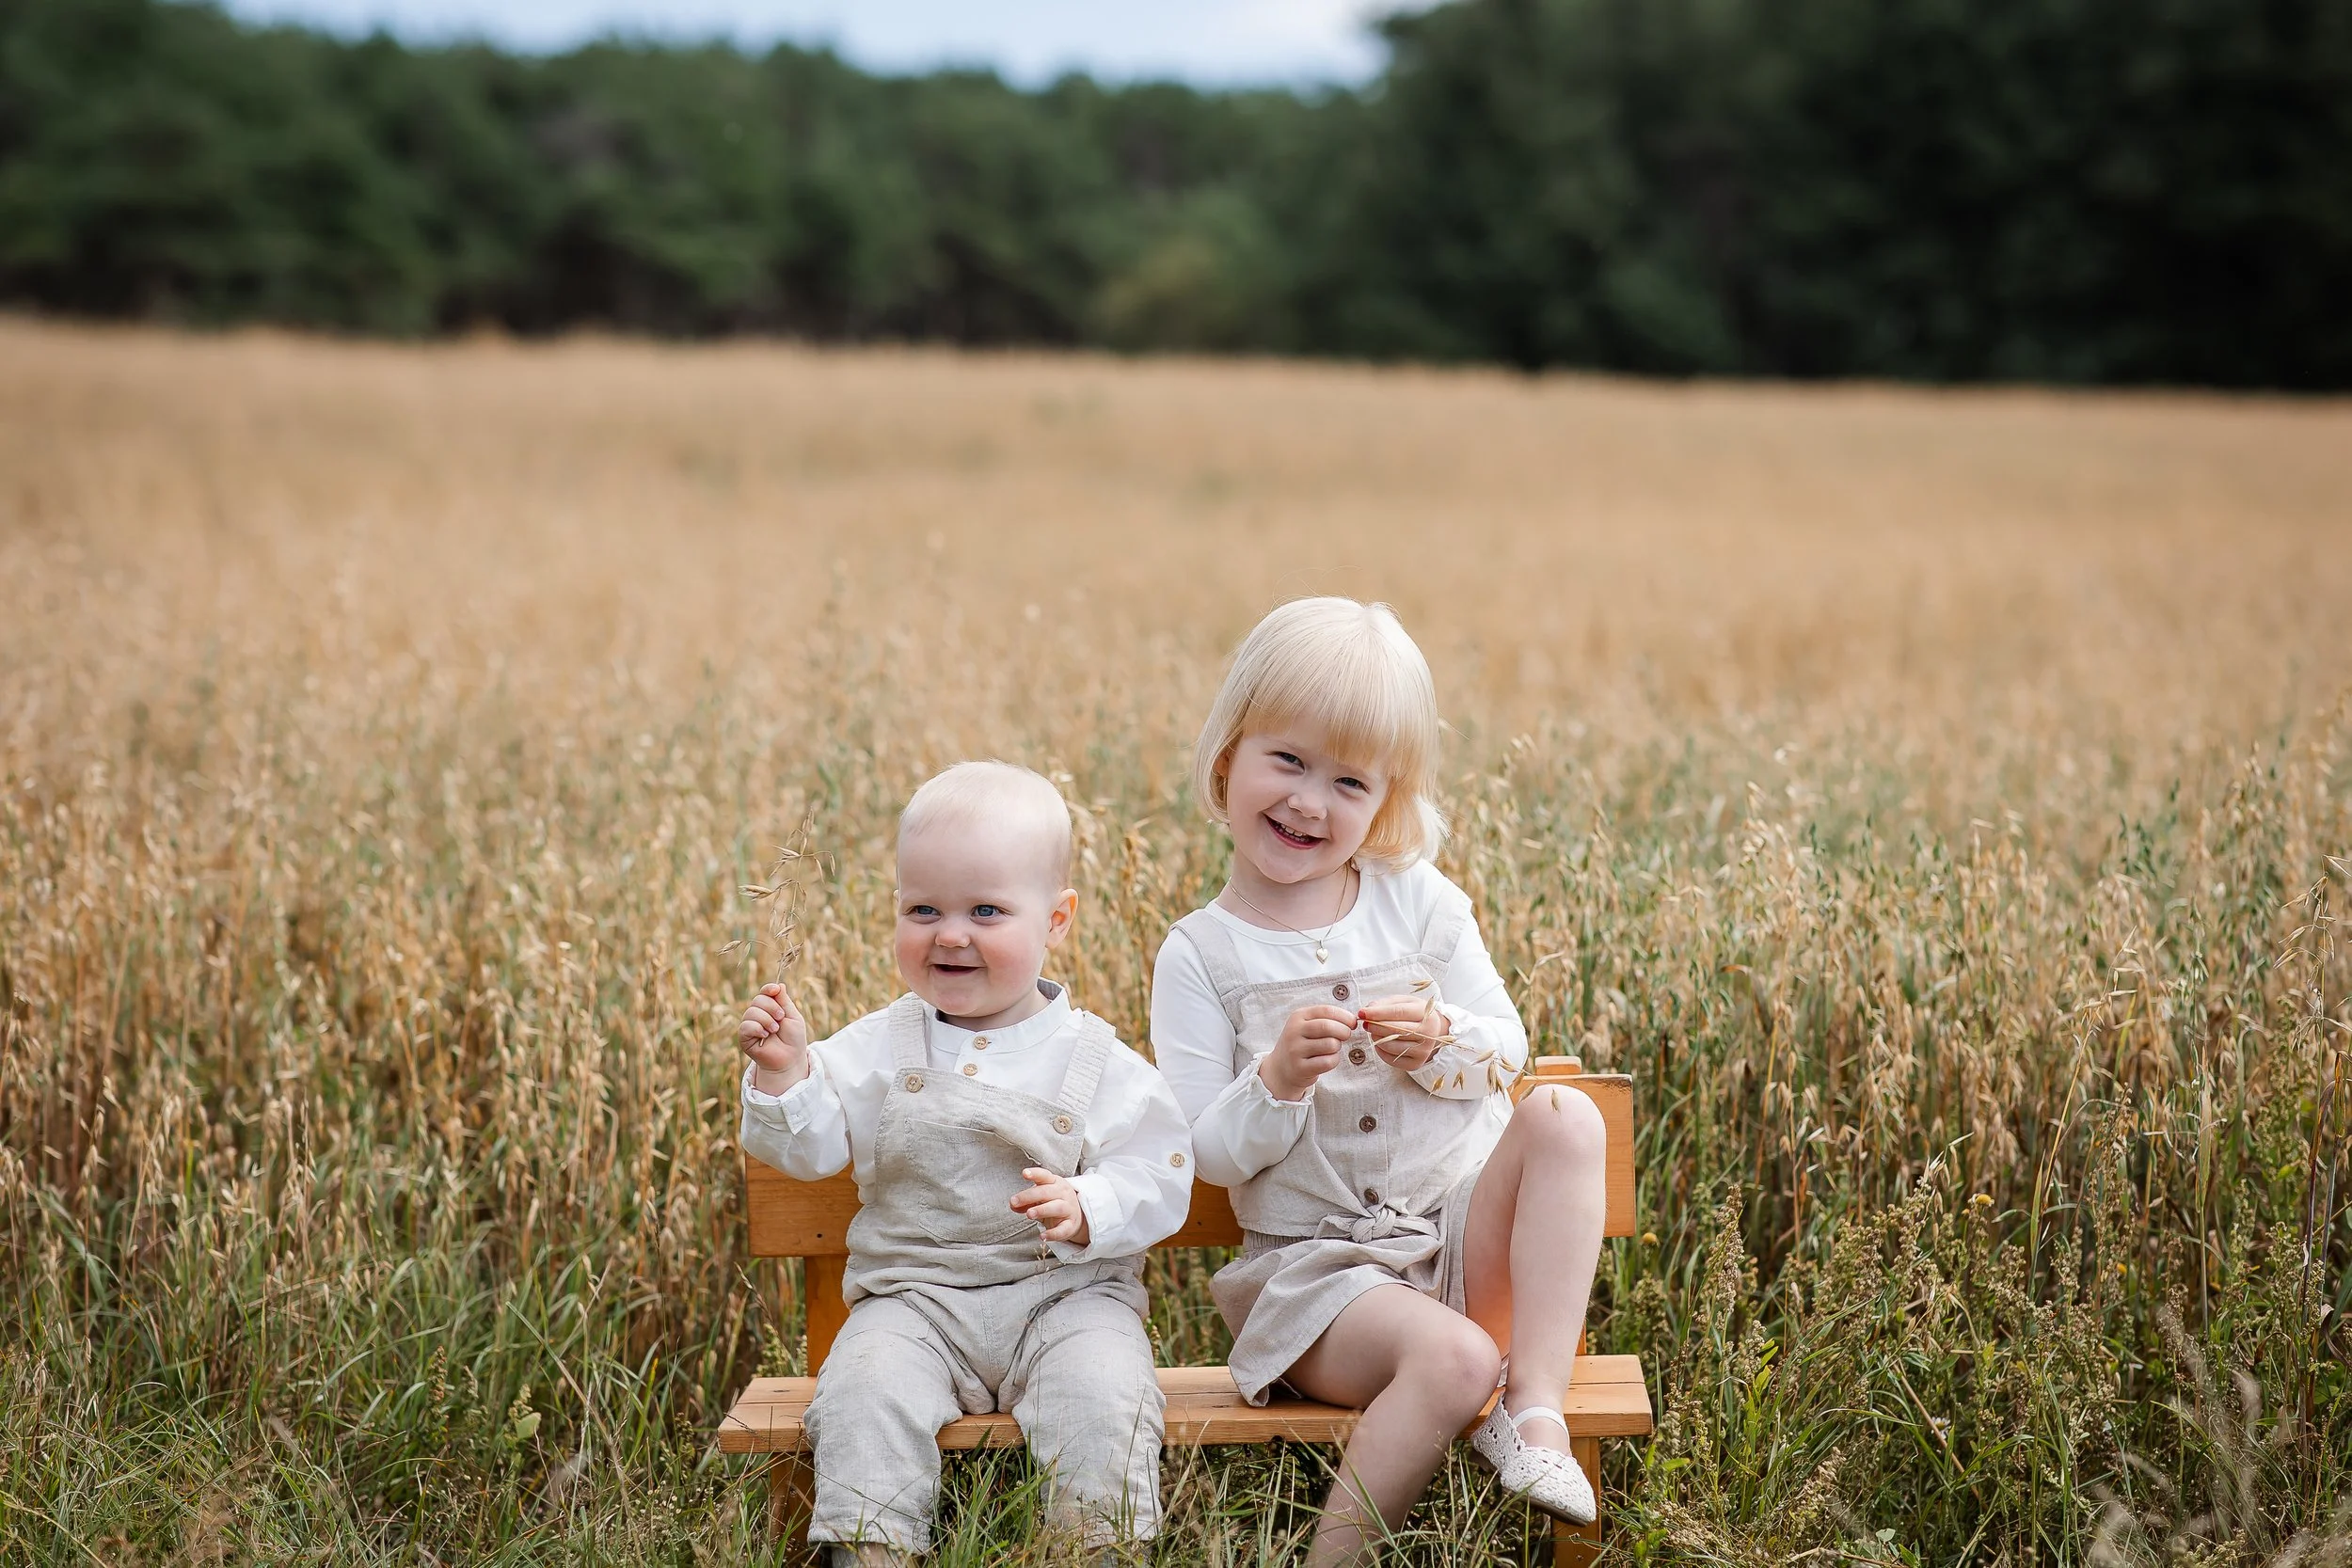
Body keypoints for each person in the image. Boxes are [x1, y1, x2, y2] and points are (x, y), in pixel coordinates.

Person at [1152, 597, 1609, 1565]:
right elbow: (1204, 1152)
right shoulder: (1200, 955)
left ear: (1384, 799)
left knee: (1566, 1116)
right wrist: (1274, 1078)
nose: (1309, 801)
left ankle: (1532, 1414)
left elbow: (1506, 1051)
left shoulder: (1421, 904)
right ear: (1228, 755)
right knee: (1451, 1357)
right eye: (1287, 760)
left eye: (1347, 779)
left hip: (1453, 1242)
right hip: (1322, 1282)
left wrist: (1438, 1038)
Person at [737, 761, 1194, 1565]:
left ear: (1057, 920)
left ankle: (1093, 1548)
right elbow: (808, 1151)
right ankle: (871, 1550)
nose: (950, 933)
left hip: (1067, 1298)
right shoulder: (882, 1043)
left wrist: (1093, 1201)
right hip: (917, 1301)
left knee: (1105, 1397)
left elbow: (1162, 1167)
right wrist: (785, 1075)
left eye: (986, 910)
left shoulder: (1092, 1056)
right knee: (864, 1388)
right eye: (924, 909)